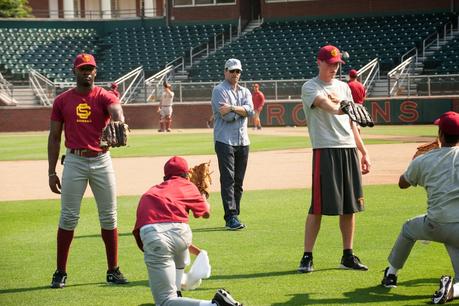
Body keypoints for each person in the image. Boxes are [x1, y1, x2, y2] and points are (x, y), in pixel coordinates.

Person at [47, 53, 128, 288]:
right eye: (83, 68)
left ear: (95, 71)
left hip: (102, 160)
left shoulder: (103, 95)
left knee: (109, 216)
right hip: (75, 160)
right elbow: (54, 137)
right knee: (69, 216)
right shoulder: (62, 100)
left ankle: (113, 270)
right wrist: (51, 172)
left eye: (90, 68)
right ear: (75, 71)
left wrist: (117, 118)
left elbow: (116, 111)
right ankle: (60, 271)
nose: (87, 72)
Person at [297, 45, 371, 273]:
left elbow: (352, 123)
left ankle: (347, 255)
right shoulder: (310, 86)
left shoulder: (343, 87)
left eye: (337, 64)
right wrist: (343, 107)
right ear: (319, 62)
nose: (334, 68)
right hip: (325, 149)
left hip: (347, 148)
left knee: (349, 206)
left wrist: (364, 151)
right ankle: (307, 256)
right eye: (330, 64)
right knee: (317, 206)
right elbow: (326, 106)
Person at [132, 156, 243, 306]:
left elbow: (158, 231)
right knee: (179, 243)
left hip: (154, 234)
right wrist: (202, 195)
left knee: (165, 301)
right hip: (180, 234)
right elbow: (206, 214)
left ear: (165, 177)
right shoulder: (188, 186)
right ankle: (177, 291)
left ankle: (215, 305)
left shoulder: (152, 191)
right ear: (186, 175)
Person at [381, 111, 459, 305]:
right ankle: (453, 290)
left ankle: (391, 274)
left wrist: (416, 161)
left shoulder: (424, 160)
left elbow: (402, 183)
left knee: (408, 229)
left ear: (440, 134)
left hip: (434, 225)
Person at [211, 58, 254, 230]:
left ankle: (235, 213)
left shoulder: (245, 91)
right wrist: (241, 110)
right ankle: (230, 217)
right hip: (224, 140)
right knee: (228, 180)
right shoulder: (218, 90)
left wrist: (232, 108)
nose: (235, 74)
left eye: (238, 71)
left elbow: (251, 111)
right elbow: (226, 117)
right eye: (232, 71)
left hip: (243, 140)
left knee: (239, 181)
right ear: (225, 71)